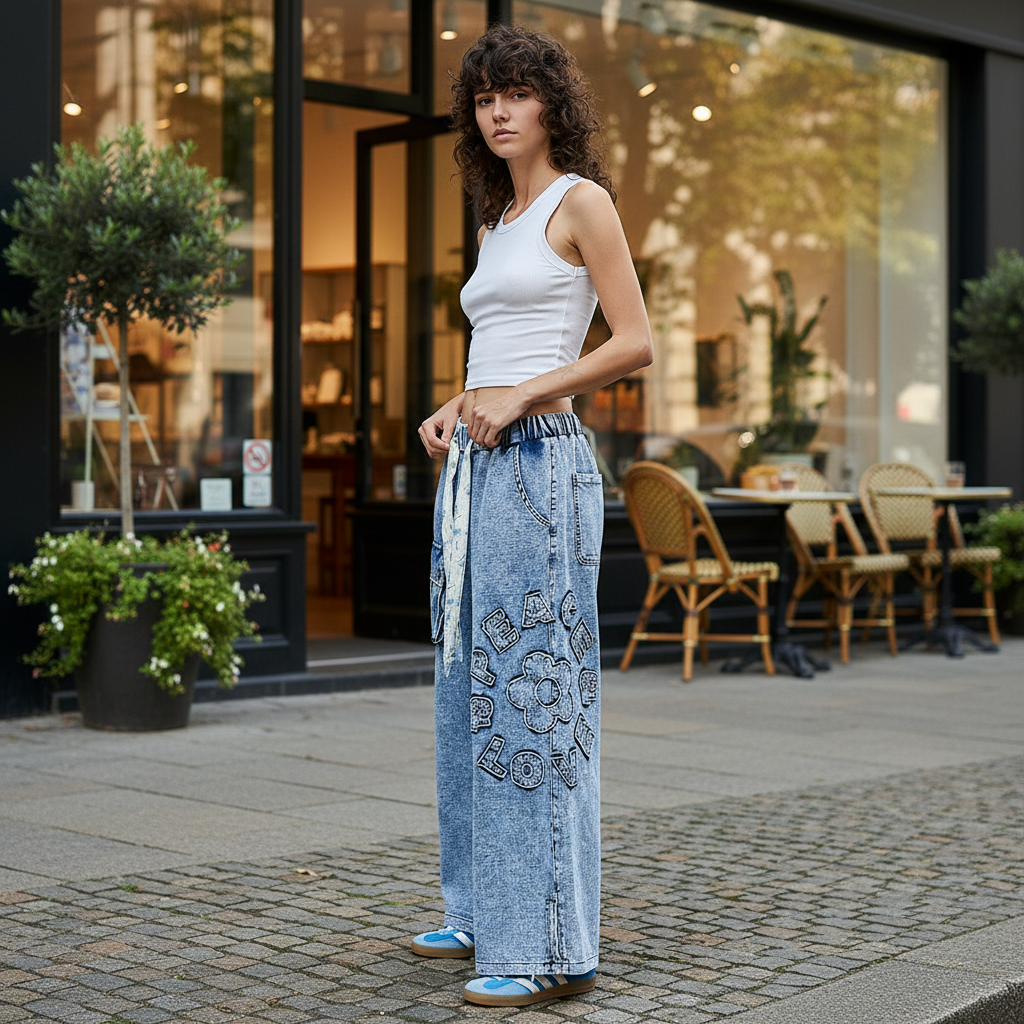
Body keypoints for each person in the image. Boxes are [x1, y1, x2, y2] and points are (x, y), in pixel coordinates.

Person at [413, 24, 653, 1008]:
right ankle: (477, 903)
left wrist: (522, 396)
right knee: (465, 688)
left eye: (517, 91)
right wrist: (460, 400)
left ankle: (547, 939)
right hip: (474, 469)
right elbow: (498, 349)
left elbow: (634, 340)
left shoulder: (578, 202)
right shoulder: (497, 219)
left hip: (541, 470)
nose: (499, 109)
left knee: (530, 698)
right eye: (484, 97)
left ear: (552, 102)